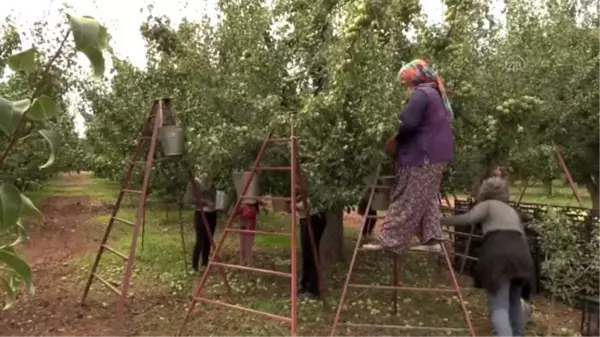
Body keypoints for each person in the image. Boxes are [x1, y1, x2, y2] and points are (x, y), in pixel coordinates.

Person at [363, 58, 454, 253]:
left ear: (414, 79)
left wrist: (394, 137)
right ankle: (432, 239)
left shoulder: (421, 94)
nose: (405, 87)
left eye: (405, 83)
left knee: (406, 196)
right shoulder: (435, 94)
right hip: (437, 155)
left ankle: (390, 240)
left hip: (422, 155)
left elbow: (408, 124)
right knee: (425, 196)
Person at [440, 177, 534, 337]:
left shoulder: (488, 205)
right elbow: (523, 236)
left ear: (485, 190)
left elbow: (468, 218)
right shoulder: (512, 211)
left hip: (499, 256)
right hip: (522, 257)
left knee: (499, 307)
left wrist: (440, 220)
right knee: (514, 303)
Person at [295, 185, 327, 297]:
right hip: (305, 218)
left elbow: (310, 202)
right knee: (306, 252)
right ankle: (305, 284)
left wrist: (296, 205)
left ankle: (312, 288)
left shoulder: (312, 177)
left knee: (311, 252)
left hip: (314, 217)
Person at [185, 175, 217, 272]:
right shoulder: (194, 182)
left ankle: (205, 262)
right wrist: (205, 202)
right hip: (201, 213)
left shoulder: (211, 181)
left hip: (212, 213)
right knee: (200, 239)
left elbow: (214, 195)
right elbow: (190, 199)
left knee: (209, 238)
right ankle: (195, 265)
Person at [235, 202, 259, 266]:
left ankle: (249, 265)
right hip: (242, 230)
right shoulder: (242, 206)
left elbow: (247, 215)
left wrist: (242, 208)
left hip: (249, 232)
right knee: (242, 249)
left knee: (247, 249)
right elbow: (234, 213)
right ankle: (242, 264)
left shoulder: (253, 208)